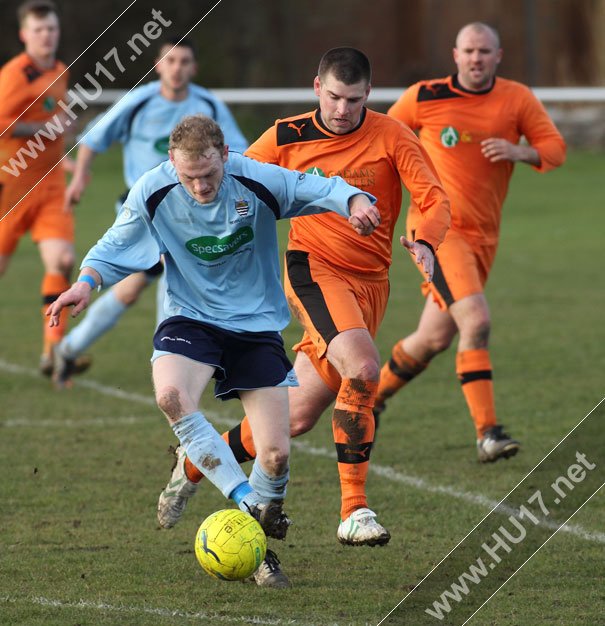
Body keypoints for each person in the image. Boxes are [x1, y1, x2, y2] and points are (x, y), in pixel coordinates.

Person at [47, 114, 381, 588]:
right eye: (189, 177)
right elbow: (113, 244)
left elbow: (316, 185)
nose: (200, 186)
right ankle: (253, 521)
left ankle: (195, 472)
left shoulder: (255, 178)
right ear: (172, 164)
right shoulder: (153, 189)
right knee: (171, 398)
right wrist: (86, 283)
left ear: (225, 156)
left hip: (257, 325)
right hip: (191, 318)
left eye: (209, 174)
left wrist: (354, 200)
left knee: (277, 456)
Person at [156, 48, 451, 566]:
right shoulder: (288, 136)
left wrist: (425, 239)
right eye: (334, 96)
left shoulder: (391, 135)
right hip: (311, 270)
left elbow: (433, 197)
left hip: (371, 284)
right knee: (362, 368)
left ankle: (196, 463)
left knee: (294, 417)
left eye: (354, 99)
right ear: (317, 87)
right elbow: (233, 176)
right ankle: (355, 511)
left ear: (369, 95)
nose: (342, 109)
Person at [374, 22, 566, 462]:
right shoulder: (424, 96)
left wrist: (521, 151)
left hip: (484, 237)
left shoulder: (516, 98)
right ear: (455, 54)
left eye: (484, 51)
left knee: (432, 338)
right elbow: (381, 139)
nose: (476, 58)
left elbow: (555, 149)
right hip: (437, 231)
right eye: (468, 51)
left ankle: (372, 397)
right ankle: (488, 434)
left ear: (498, 56)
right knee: (475, 321)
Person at [52, 36, 249, 388]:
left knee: (132, 290)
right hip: (142, 210)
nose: (177, 68)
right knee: (172, 277)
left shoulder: (207, 105)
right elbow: (94, 139)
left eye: (184, 61)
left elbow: (242, 151)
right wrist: (80, 178)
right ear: (159, 66)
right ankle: (171, 364)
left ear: (194, 67)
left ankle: (69, 350)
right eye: (170, 61)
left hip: (192, 213)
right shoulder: (139, 101)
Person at [0, 0, 79, 376]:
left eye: (51, 28)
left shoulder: (61, 71)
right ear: (24, 35)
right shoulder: (15, 75)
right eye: (39, 30)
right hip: (11, 186)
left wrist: (69, 159)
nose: (47, 35)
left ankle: (54, 351)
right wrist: (47, 129)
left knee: (62, 261)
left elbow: (58, 124)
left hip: (50, 188)